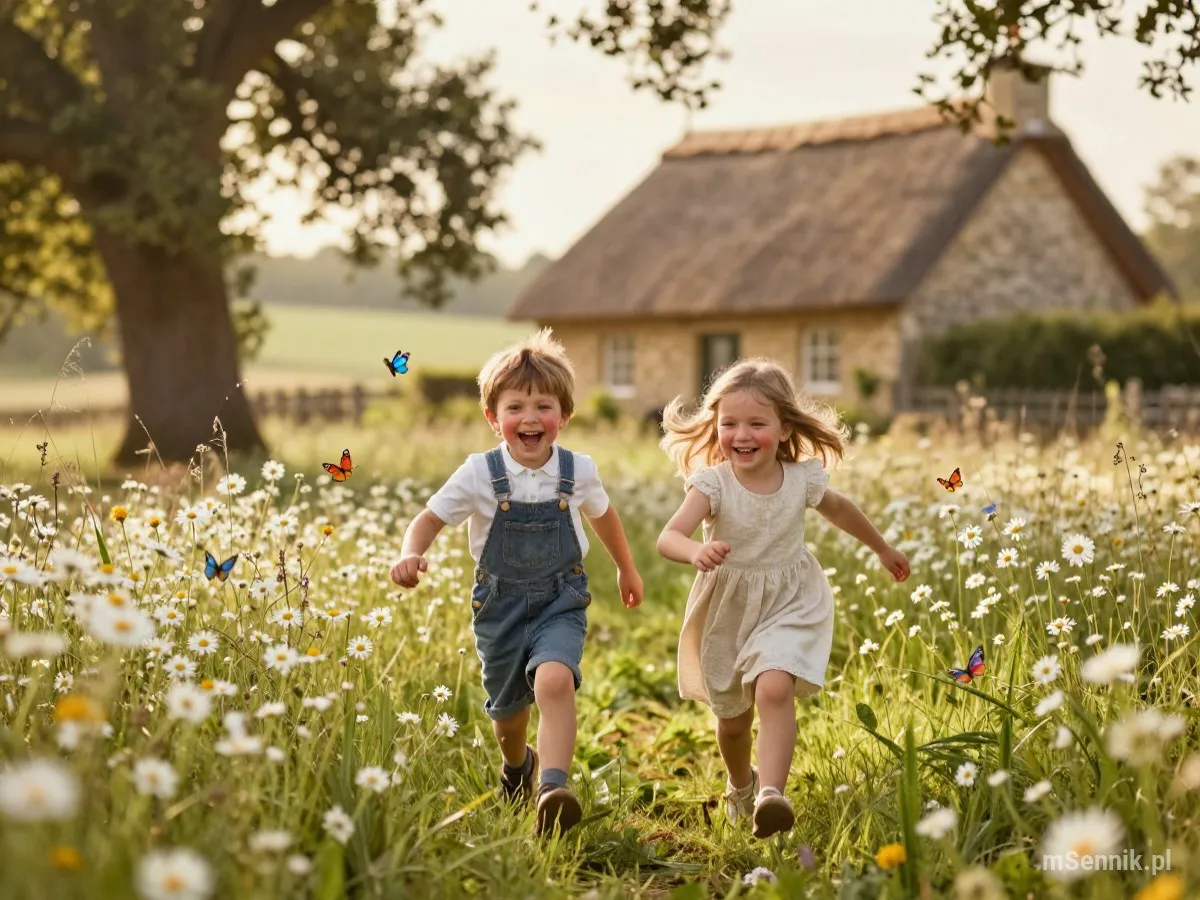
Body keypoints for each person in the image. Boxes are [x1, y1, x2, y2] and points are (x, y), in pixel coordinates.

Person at [390, 328, 644, 836]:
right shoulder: (479, 473)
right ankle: (518, 766)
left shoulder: (579, 470)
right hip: (499, 607)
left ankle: (552, 788)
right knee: (508, 717)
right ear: (493, 417)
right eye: (516, 407)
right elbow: (429, 519)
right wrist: (411, 552)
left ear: (564, 416)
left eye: (544, 406)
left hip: (559, 599)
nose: (530, 418)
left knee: (554, 680)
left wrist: (626, 566)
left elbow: (604, 517)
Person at [655, 358, 910, 839]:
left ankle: (772, 794)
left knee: (774, 688)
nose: (741, 434)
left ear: (784, 425)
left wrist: (881, 547)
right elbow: (669, 536)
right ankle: (741, 785)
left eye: (756, 423)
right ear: (716, 426)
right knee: (732, 723)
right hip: (728, 610)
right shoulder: (713, 484)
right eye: (729, 423)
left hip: (789, 602)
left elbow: (841, 509)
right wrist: (696, 550)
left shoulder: (801, 479)